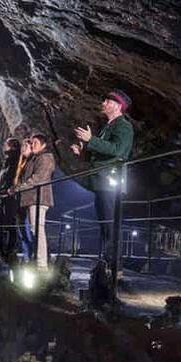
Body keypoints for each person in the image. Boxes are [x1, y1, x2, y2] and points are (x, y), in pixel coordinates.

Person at [71, 89, 134, 262]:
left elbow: (117, 150)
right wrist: (83, 152)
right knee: (105, 223)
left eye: (108, 101)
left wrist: (91, 140)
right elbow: (102, 153)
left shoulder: (123, 126)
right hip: (102, 180)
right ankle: (107, 261)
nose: (103, 103)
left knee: (109, 223)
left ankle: (113, 264)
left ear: (118, 106)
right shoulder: (108, 126)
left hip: (110, 180)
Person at [14, 134, 55, 271]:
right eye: (31, 143)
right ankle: (38, 260)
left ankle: (42, 263)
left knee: (37, 229)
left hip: (39, 198)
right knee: (34, 229)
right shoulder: (35, 158)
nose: (32, 145)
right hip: (32, 198)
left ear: (44, 144)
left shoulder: (46, 157)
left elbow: (39, 178)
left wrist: (19, 188)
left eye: (35, 142)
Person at [0, 138, 21, 261]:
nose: (3, 146)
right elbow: (1, 179)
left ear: (12, 147)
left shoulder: (14, 160)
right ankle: (3, 250)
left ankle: (8, 250)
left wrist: (2, 190)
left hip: (9, 196)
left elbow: (9, 178)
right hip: (2, 196)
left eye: (6, 144)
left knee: (9, 224)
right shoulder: (7, 160)